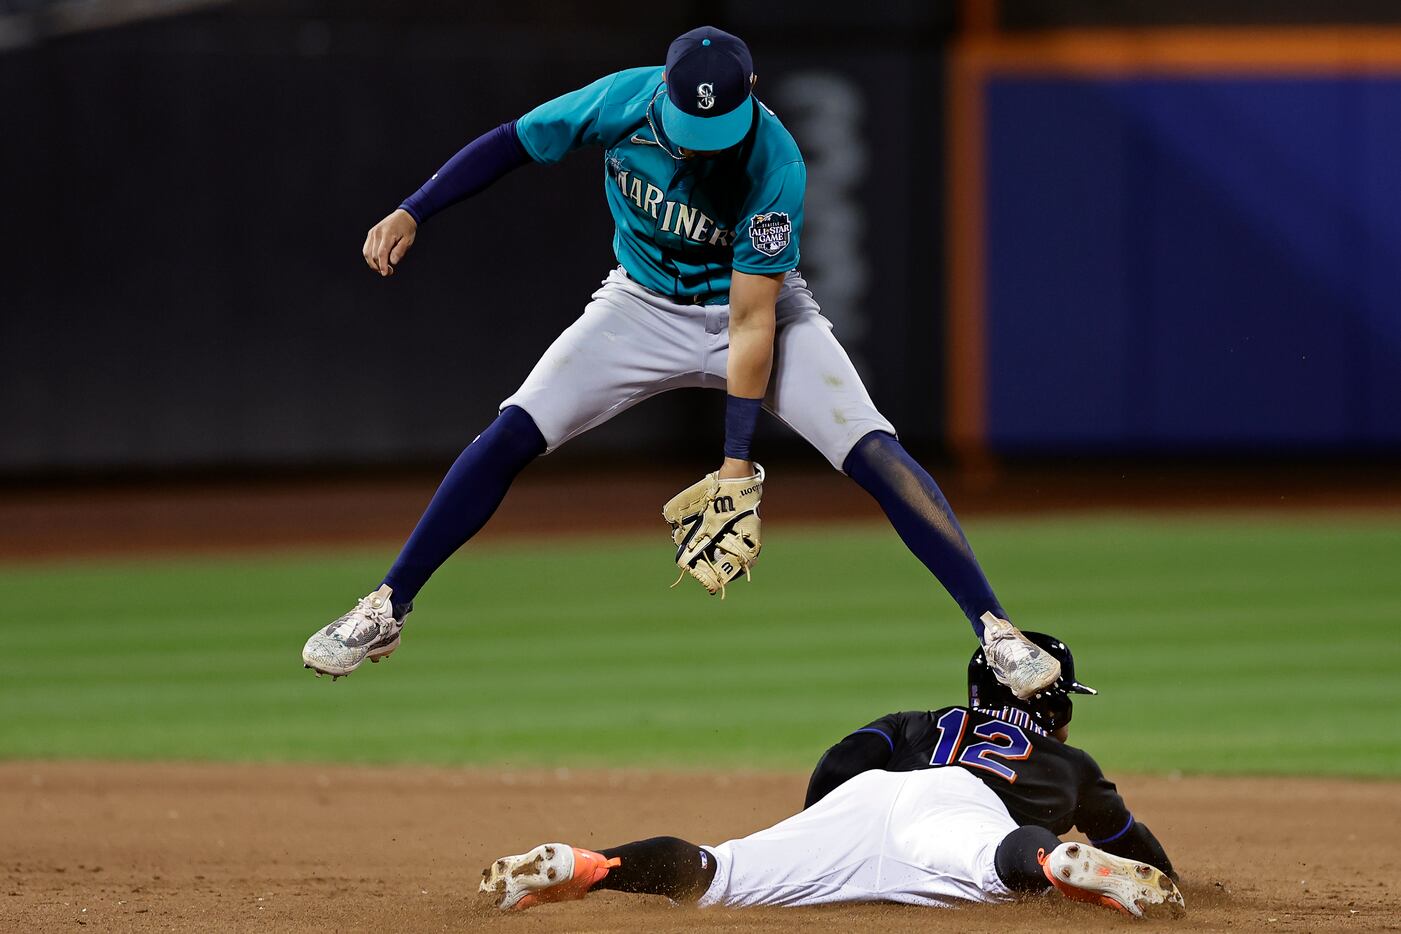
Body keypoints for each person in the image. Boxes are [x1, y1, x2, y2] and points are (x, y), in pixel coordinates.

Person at [300, 25, 1059, 700]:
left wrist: (736, 466)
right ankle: (386, 606)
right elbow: (511, 142)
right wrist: (414, 208)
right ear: (663, 92)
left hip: (758, 313)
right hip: (638, 307)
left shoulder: (776, 164)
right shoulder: (620, 101)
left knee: (872, 447)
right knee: (510, 433)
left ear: (752, 95)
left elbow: (752, 317)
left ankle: (993, 627)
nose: (705, 139)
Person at [477, 636, 1185, 919]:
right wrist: (1167, 878)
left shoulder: (920, 720)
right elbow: (1129, 835)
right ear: (1052, 703)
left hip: (863, 800)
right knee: (999, 859)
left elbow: (841, 761)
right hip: (958, 810)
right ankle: (1053, 861)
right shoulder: (1069, 764)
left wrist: (821, 828)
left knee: (712, 870)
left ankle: (586, 866)